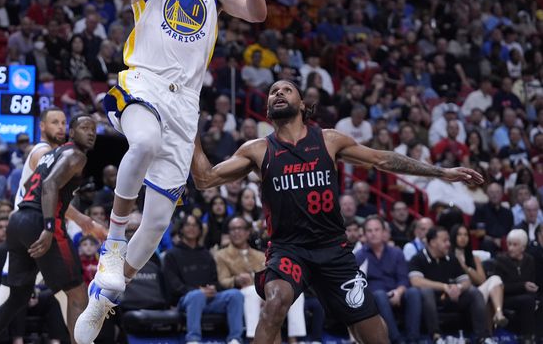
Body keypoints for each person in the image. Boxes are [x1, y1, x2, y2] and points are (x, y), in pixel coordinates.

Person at [77, 0, 267, 343]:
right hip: (142, 84)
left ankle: (102, 298)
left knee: (159, 219)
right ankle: (112, 242)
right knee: (141, 142)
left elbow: (257, 13)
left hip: (185, 105)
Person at [187, 80, 484, 344]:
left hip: (333, 250)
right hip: (288, 249)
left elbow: (383, 159)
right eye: (272, 91)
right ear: (266, 109)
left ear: (302, 105)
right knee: (275, 302)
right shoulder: (257, 149)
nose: (278, 93)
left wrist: (441, 172)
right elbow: (205, 179)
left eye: (286, 89)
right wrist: (191, 126)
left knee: (373, 333)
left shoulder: (329, 140)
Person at [0, 114, 97, 344]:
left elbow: (30, 184)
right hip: (40, 221)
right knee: (77, 291)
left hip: (18, 220)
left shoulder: (52, 154)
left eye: (94, 129)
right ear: (72, 133)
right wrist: (49, 227)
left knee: (17, 297)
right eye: (84, 127)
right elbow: (49, 184)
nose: (91, 133)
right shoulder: (75, 155)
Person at [164, 214, 245, 344]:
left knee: (235, 294)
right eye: (188, 225)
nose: (192, 228)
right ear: (181, 229)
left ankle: (235, 339)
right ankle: (193, 339)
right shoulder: (172, 255)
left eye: (195, 225)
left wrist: (213, 288)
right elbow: (174, 286)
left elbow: (215, 280)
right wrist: (198, 290)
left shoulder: (206, 254)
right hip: (185, 300)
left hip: (210, 299)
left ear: (200, 229)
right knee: (196, 296)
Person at [409, 226, 492, 343]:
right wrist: (444, 287)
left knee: (474, 291)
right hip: (431, 300)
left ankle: (483, 337)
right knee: (426, 291)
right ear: (432, 242)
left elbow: (466, 280)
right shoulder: (418, 258)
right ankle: (436, 337)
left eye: (448, 240)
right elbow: (416, 281)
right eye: (444, 240)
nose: (448, 244)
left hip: (451, 298)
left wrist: (459, 288)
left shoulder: (451, 258)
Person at [355, 216, 423, 344]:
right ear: (364, 234)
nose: (373, 233)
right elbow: (359, 285)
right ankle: (396, 339)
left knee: (414, 292)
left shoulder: (396, 252)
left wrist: (398, 292)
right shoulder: (359, 255)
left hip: (397, 292)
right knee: (380, 295)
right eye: (369, 231)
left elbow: (403, 278)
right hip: (374, 297)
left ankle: (413, 339)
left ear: (384, 232)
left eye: (376, 230)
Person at [213, 216, 268, 341]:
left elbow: (269, 277)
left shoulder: (260, 255)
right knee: (252, 291)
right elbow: (222, 280)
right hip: (240, 292)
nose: (236, 232)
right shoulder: (221, 255)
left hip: (263, 291)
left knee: (294, 294)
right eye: (232, 229)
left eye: (240, 228)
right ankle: (253, 338)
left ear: (248, 232)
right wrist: (236, 280)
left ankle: (296, 339)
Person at [450, 224, 507, 327]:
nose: (463, 238)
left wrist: (466, 267)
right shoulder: (448, 256)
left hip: (477, 293)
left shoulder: (474, 258)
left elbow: (482, 281)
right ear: (453, 237)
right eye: (459, 235)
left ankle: (499, 313)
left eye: (465, 235)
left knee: (495, 279)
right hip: (459, 293)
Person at [493, 229, 538, 341]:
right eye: (509, 244)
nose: (511, 248)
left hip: (526, 297)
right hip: (507, 298)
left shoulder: (530, 260)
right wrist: (523, 286)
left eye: (515, 245)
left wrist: (534, 288)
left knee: (535, 301)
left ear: (523, 247)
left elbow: (532, 281)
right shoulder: (501, 260)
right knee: (527, 301)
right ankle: (527, 338)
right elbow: (499, 287)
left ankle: (537, 337)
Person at [471, 182, 514, 255]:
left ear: (502, 194)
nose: (494, 195)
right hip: (487, 243)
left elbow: (511, 232)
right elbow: (477, 232)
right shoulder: (480, 210)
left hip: (505, 242)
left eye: (497, 192)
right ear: (487, 194)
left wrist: (502, 241)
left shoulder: (508, 213)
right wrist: (494, 240)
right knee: (487, 243)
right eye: (491, 192)